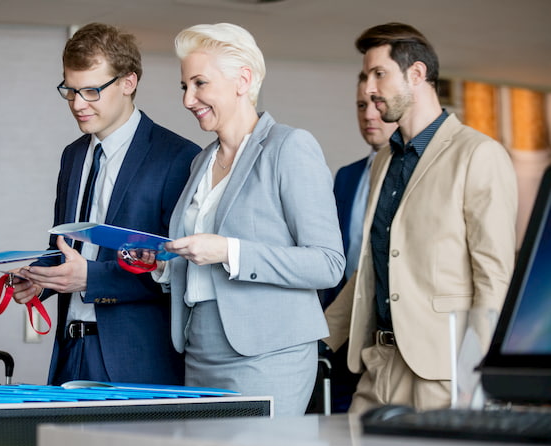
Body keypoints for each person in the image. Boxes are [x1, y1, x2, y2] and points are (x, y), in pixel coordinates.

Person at [324, 22, 518, 413]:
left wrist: (474, 371)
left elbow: (494, 276)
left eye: (379, 74)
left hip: (444, 373)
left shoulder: (478, 154)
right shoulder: (382, 162)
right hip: (377, 364)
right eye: (365, 77)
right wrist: (317, 338)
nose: (368, 89)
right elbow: (372, 268)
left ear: (417, 74)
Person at [158, 23, 344, 416]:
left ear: (243, 79)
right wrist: (159, 261)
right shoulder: (200, 161)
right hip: (199, 346)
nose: (188, 99)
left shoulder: (290, 147)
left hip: (268, 352)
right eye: (184, 87)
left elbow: (328, 264)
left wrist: (229, 251)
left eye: (200, 83)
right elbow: (195, 261)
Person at [12, 23, 201, 386]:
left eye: (91, 91)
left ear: (128, 83)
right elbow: (64, 247)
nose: (78, 104)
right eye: (70, 90)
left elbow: (177, 268)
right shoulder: (72, 156)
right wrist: (41, 279)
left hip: (137, 360)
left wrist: (91, 277)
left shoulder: (178, 158)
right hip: (70, 351)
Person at [318, 76, 399, 413]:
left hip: (387, 325)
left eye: (377, 105)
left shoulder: (411, 173)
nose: (369, 115)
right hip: (341, 321)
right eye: (362, 106)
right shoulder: (347, 175)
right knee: (336, 419)